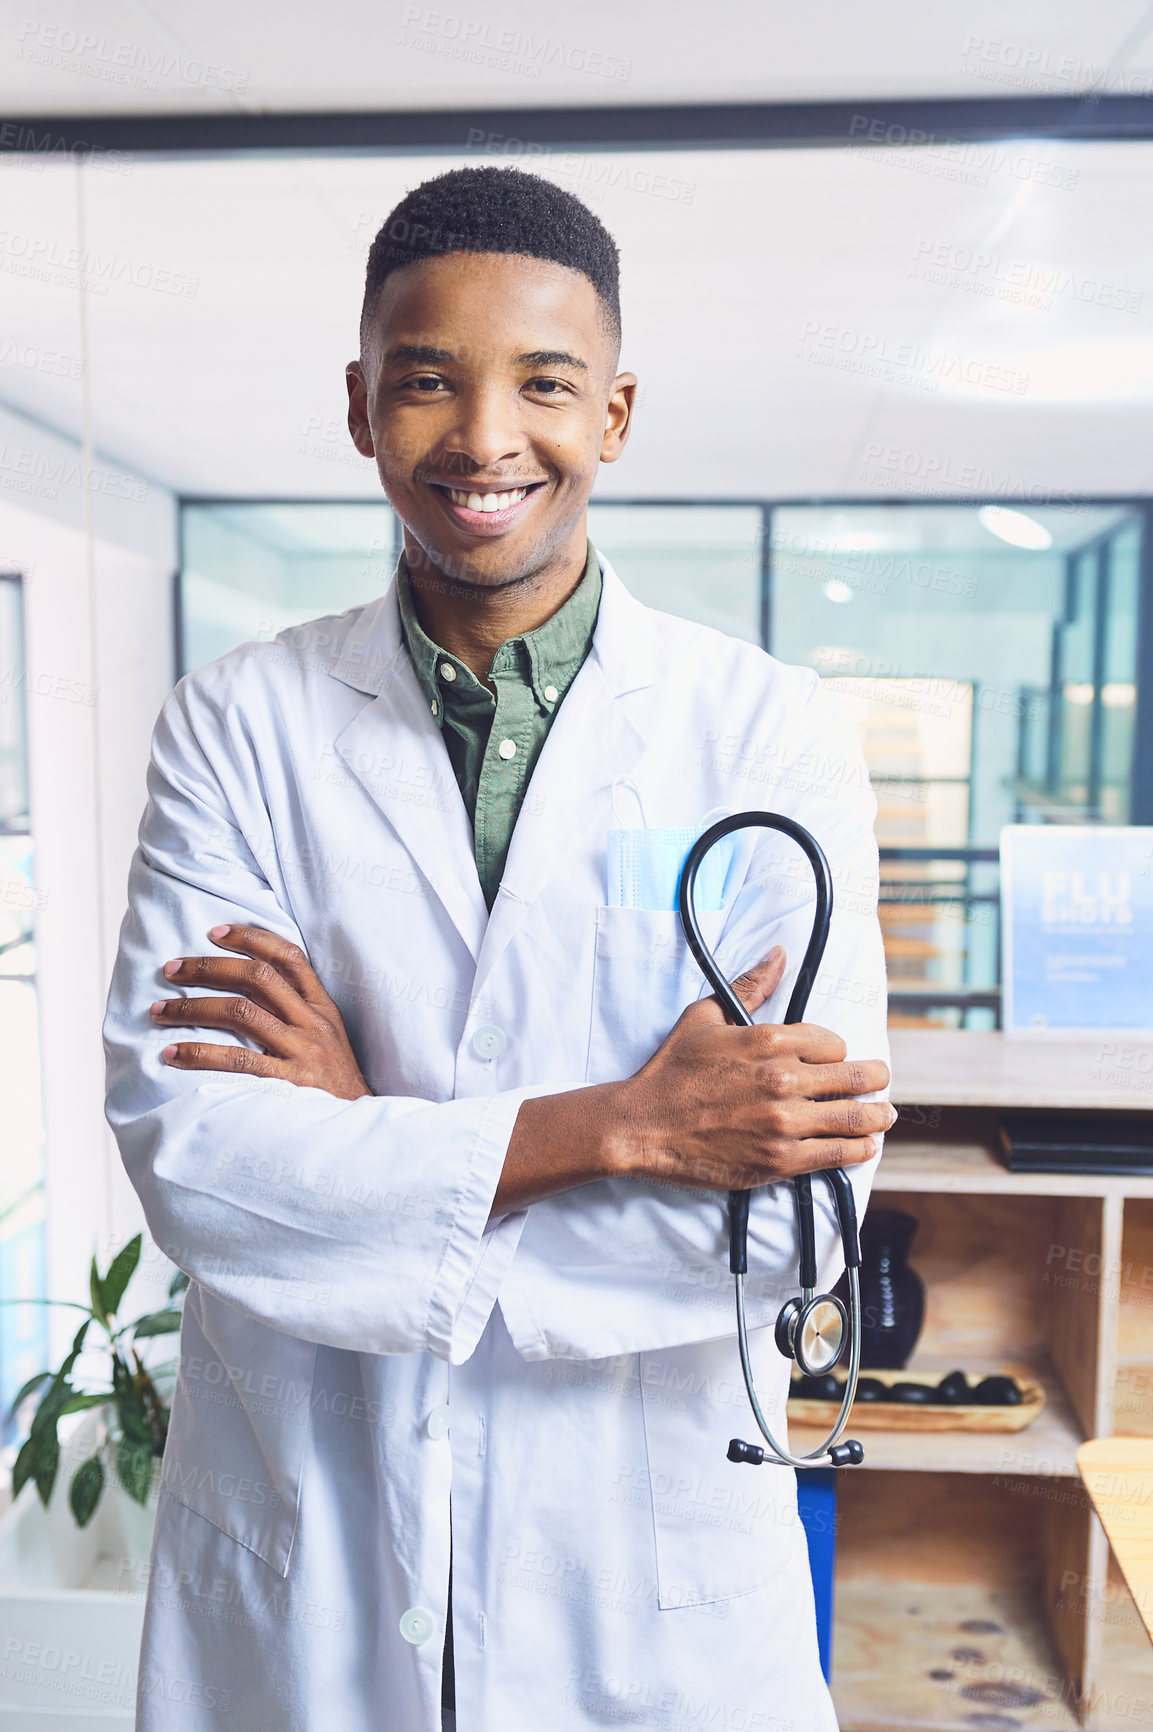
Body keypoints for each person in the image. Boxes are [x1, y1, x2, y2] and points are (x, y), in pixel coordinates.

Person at [104, 166, 893, 1732]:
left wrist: (364, 1147)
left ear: (613, 413)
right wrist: (619, 1129)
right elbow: (198, 1164)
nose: (482, 438)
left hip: (645, 1580)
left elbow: (787, 1223)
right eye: (425, 380)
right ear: (358, 407)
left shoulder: (766, 733)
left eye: (542, 382)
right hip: (312, 1555)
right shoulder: (235, 726)